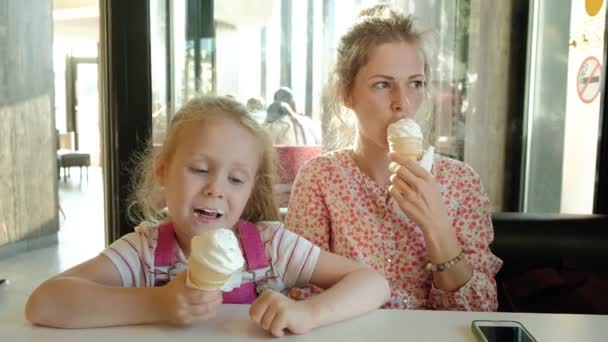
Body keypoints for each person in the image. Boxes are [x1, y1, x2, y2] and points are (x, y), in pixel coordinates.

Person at [25, 96, 389, 336]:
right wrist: (158, 303)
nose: (216, 188)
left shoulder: (272, 249)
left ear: (249, 191)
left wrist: (308, 314)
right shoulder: (143, 252)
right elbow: (45, 302)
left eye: (235, 179)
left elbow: (373, 283)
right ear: (163, 171)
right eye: (200, 169)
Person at [285, 5, 502, 311]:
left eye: (415, 83)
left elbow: (479, 310)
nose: (403, 103)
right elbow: (299, 294)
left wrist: (437, 226)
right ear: (347, 93)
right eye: (383, 85)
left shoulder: (460, 182)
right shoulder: (320, 179)